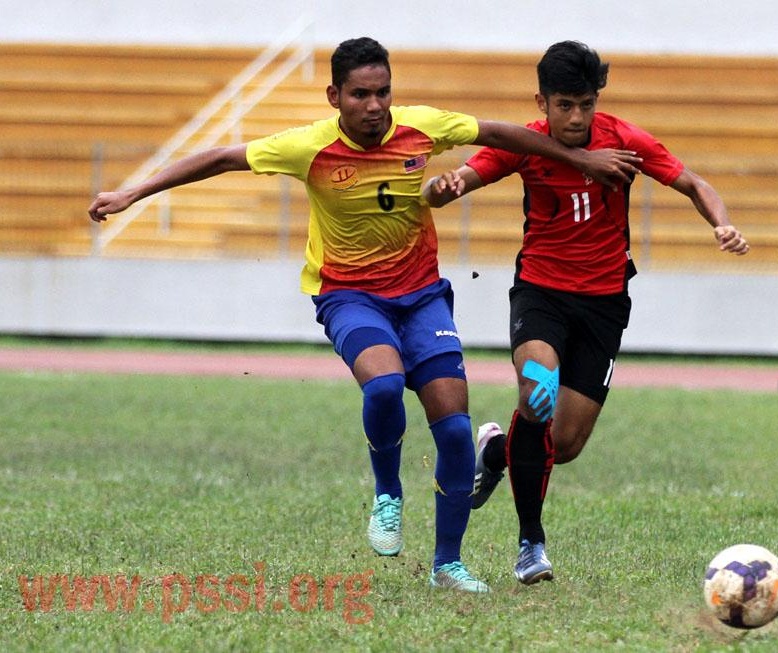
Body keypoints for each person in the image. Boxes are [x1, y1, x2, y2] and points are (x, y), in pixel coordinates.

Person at [88, 37, 641, 594]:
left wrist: (578, 158)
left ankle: (447, 565)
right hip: (349, 296)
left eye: (382, 92)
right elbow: (221, 158)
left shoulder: (421, 126)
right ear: (335, 96)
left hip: (423, 297)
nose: (375, 105)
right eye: (360, 94)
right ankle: (387, 496)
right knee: (383, 386)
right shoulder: (307, 147)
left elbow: (499, 133)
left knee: (454, 427)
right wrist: (134, 192)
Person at [424, 40, 750, 585]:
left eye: (586, 104)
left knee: (565, 445)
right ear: (543, 101)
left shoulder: (623, 140)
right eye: (564, 106)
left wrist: (721, 222)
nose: (576, 118)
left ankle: (496, 451)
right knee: (538, 393)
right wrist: (445, 186)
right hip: (540, 294)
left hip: (604, 304)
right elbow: (453, 185)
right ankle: (531, 544)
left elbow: (693, 182)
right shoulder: (524, 143)